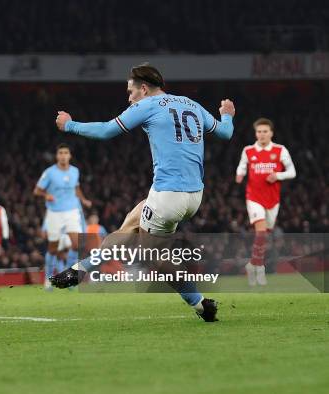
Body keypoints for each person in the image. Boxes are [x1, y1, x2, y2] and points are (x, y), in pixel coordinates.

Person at [50, 64, 234, 322]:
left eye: (130, 92)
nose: (129, 98)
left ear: (144, 89)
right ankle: (81, 269)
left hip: (168, 195)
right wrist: (227, 114)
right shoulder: (190, 104)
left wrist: (69, 125)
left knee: (153, 256)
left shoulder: (148, 105)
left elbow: (105, 131)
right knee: (132, 220)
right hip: (195, 194)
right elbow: (226, 132)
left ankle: (201, 304)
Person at [236, 117, 296, 286]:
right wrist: (240, 174)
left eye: (265, 131)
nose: (261, 134)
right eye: (259, 132)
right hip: (254, 198)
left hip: (273, 199)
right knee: (261, 232)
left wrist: (278, 175)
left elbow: (292, 172)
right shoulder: (248, 150)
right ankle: (259, 267)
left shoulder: (280, 150)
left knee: (265, 235)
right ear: (256, 133)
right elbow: (242, 165)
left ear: (271, 133)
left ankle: (252, 264)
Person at [33, 144, 92, 290]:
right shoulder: (50, 173)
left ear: (69, 156)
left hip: (71, 211)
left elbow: (76, 188)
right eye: (61, 153)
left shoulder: (75, 171)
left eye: (66, 152)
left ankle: (67, 276)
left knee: (77, 244)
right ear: (57, 156)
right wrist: (46, 194)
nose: (63, 155)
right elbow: (37, 191)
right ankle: (48, 278)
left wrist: (83, 200)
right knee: (53, 248)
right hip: (55, 213)